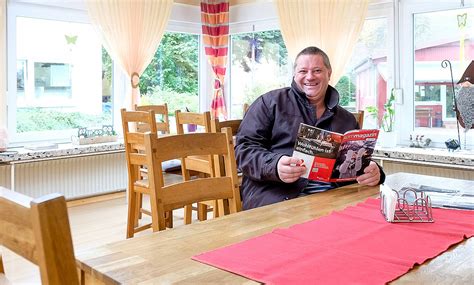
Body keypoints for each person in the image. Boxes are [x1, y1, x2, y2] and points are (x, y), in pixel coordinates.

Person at [235, 46, 385, 210]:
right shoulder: (269, 103)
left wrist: (374, 172)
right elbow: (243, 150)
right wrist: (275, 166)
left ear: (329, 73)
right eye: (303, 71)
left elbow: (351, 167)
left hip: (334, 202)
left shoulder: (347, 119)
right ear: (294, 74)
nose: (310, 77)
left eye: (317, 70)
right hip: (277, 200)